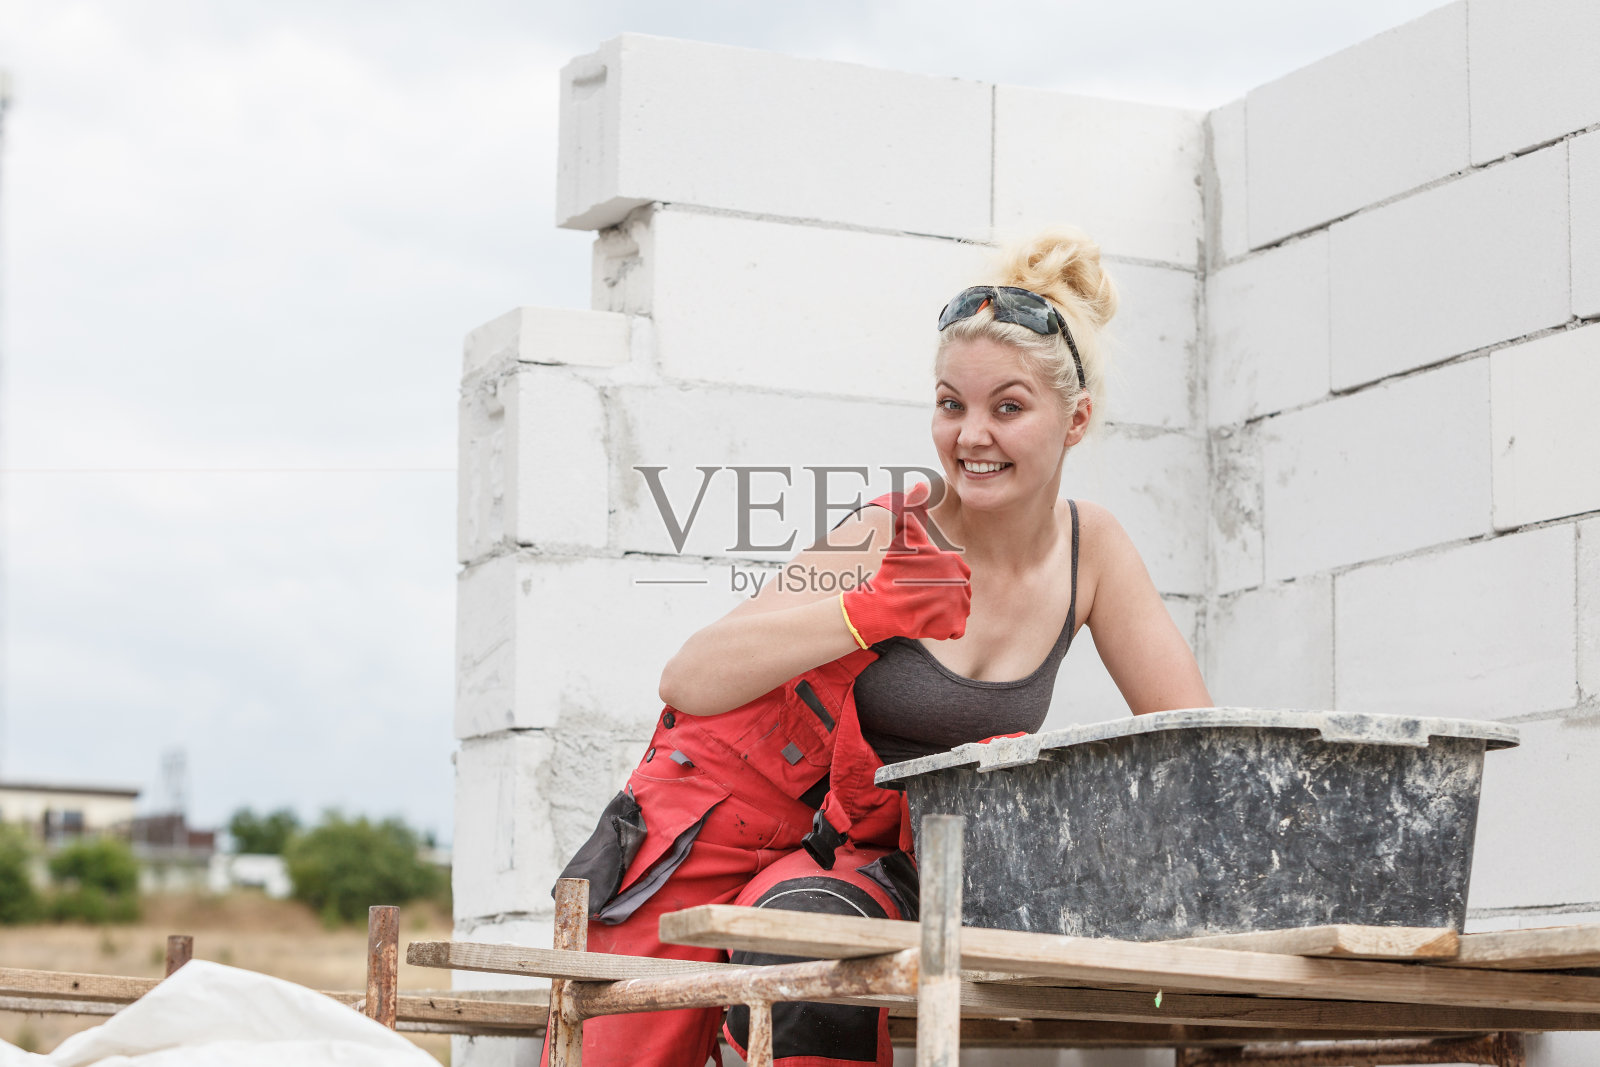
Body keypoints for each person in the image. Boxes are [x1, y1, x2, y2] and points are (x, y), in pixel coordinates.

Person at [547, 228, 1214, 1067]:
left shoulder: (1095, 552)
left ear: (1074, 420)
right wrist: (868, 612)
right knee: (793, 926)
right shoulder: (890, 532)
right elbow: (692, 676)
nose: (972, 435)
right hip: (864, 866)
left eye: (1008, 407)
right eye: (951, 404)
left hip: (992, 872)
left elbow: (1194, 745)